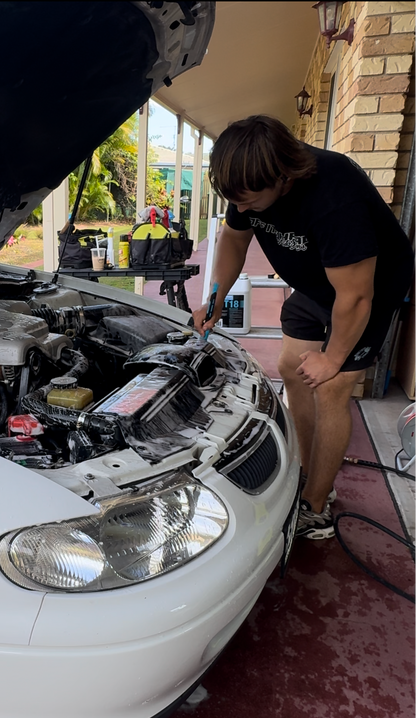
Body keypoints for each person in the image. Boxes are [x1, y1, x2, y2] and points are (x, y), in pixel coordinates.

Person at [192, 115, 414, 539]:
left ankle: (317, 504)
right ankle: (308, 468)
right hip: (315, 281)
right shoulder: (245, 180)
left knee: (330, 388)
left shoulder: (334, 196)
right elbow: (235, 240)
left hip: (366, 289)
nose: (242, 209)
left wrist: (333, 359)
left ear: (283, 178)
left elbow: (356, 297)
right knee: (292, 366)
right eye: (234, 200)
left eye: (252, 202)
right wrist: (216, 299)